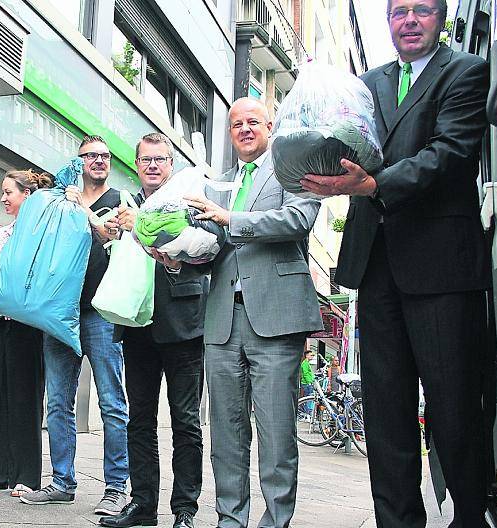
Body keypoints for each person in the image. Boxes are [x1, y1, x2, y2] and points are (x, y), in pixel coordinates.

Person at [301, 1, 493, 525]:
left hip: (442, 268)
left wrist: (373, 185)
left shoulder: (466, 71)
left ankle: (470, 515)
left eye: (422, 10)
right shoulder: (366, 83)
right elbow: (343, 142)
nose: (409, 20)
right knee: (385, 413)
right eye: (398, 11)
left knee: (453, 407)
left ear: (442, 18)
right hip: (376, 265)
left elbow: (450, 154)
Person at [180, 96, 323, 528]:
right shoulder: (216, 183)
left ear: (270, 126)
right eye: (236, 124)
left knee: (277, 431)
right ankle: (230, 520)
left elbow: (299, 219)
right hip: (223, 319)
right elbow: (209, 249)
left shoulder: (291, 168)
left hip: (276, 318)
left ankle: (275, 522)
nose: (244, 129)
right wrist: (176, 252)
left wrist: (229, 218)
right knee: (226, 432)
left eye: (253, 122)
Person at [100, 133, 207, 528]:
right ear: (136, 164)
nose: (152, 166)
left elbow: (209, 254)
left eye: (159, 159)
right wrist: (109, 235)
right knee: (140, 419)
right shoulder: (122, 208)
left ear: (171, 165)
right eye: (145, 160)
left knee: (185, 422)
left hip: (183, 325)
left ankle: (185, 510)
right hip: (136, 325)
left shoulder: (190, 203)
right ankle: (143, 505)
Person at [20, 136, 129, 517]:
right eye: (91, 155)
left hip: (100, 313)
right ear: (78, 161)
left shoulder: (119, 200)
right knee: (59, 403)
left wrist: (76, 204)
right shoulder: (59, 201)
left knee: (112, 403)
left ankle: (116, 487)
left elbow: (111, 235)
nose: (99, 161)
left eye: (105, 155)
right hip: (60, 311)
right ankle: (62, 482)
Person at [0, 169, 52, 496]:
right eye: (2, 192)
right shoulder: (0, 234)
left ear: (27, 196)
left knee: (24, 397)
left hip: (27, 324)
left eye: (9, 192)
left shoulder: (42, 232)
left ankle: (25, 475)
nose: (3, 198)